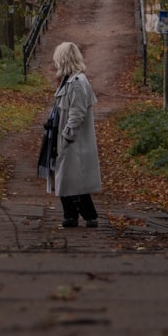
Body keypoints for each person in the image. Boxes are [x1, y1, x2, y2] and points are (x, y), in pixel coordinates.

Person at [49, 41, 102, 228]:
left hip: (73, 141)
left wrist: (67, 136)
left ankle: (84, 215)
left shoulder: (77, 83)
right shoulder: (69, 80)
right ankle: (72, 215)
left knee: (72, 178)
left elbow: (76, 113)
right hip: (67, 139)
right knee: (67, 178)